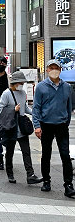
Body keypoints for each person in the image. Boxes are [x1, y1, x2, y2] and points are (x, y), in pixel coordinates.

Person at [32, 59, 75, 196]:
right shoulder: (40, 87)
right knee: (46, 154)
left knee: (65, 155)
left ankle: (68, 185)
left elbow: (69, 107)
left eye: (56, 67)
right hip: (46, 125)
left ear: (61, 70)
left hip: (62, 125)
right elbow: (36, 108)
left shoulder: (67, 87)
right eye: (51, 68)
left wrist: (66, 122)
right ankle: (46, 181)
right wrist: (37, 125)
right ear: (47, 70)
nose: (54, 70)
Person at [0, 71, 44, 185]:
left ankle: (30, 175)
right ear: (14, 83)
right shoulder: (6, 94)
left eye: (23, 83)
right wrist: (13, 110)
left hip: (22, 128)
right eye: (20, 82)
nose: (22, 85)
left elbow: (25, 108)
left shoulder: (23, 93)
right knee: (10, 152)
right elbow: (0, 109)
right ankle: (10, 174)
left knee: (26, 152)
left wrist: (35, 113)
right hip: (11, 128)